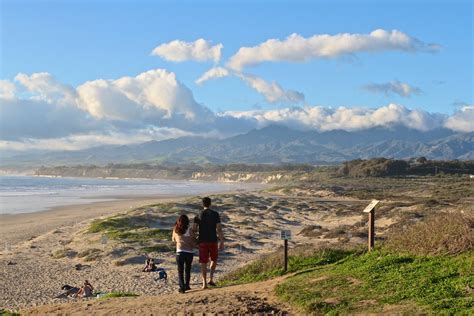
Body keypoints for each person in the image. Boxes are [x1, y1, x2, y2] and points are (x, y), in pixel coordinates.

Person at [193, 197, 224, 289]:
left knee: (203, 261)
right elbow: (219, 229)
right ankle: (211, 278)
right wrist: (221, 240)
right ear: (210, 204)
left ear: (202, 204)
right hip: (213, 240)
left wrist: (196, 237)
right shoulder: (215, 214)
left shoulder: (198, 214)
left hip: (202, 240)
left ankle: (204, 283)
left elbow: (194, 229)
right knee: (214, 259)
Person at [172, 214, 195, 293]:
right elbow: (193, 240)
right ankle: (187, 285)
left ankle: (182, 288)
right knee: (187, 270)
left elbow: (173, 240)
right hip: (189, 252)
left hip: (179, 252)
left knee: (180, 271)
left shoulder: (176, 230)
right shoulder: (190, 230)